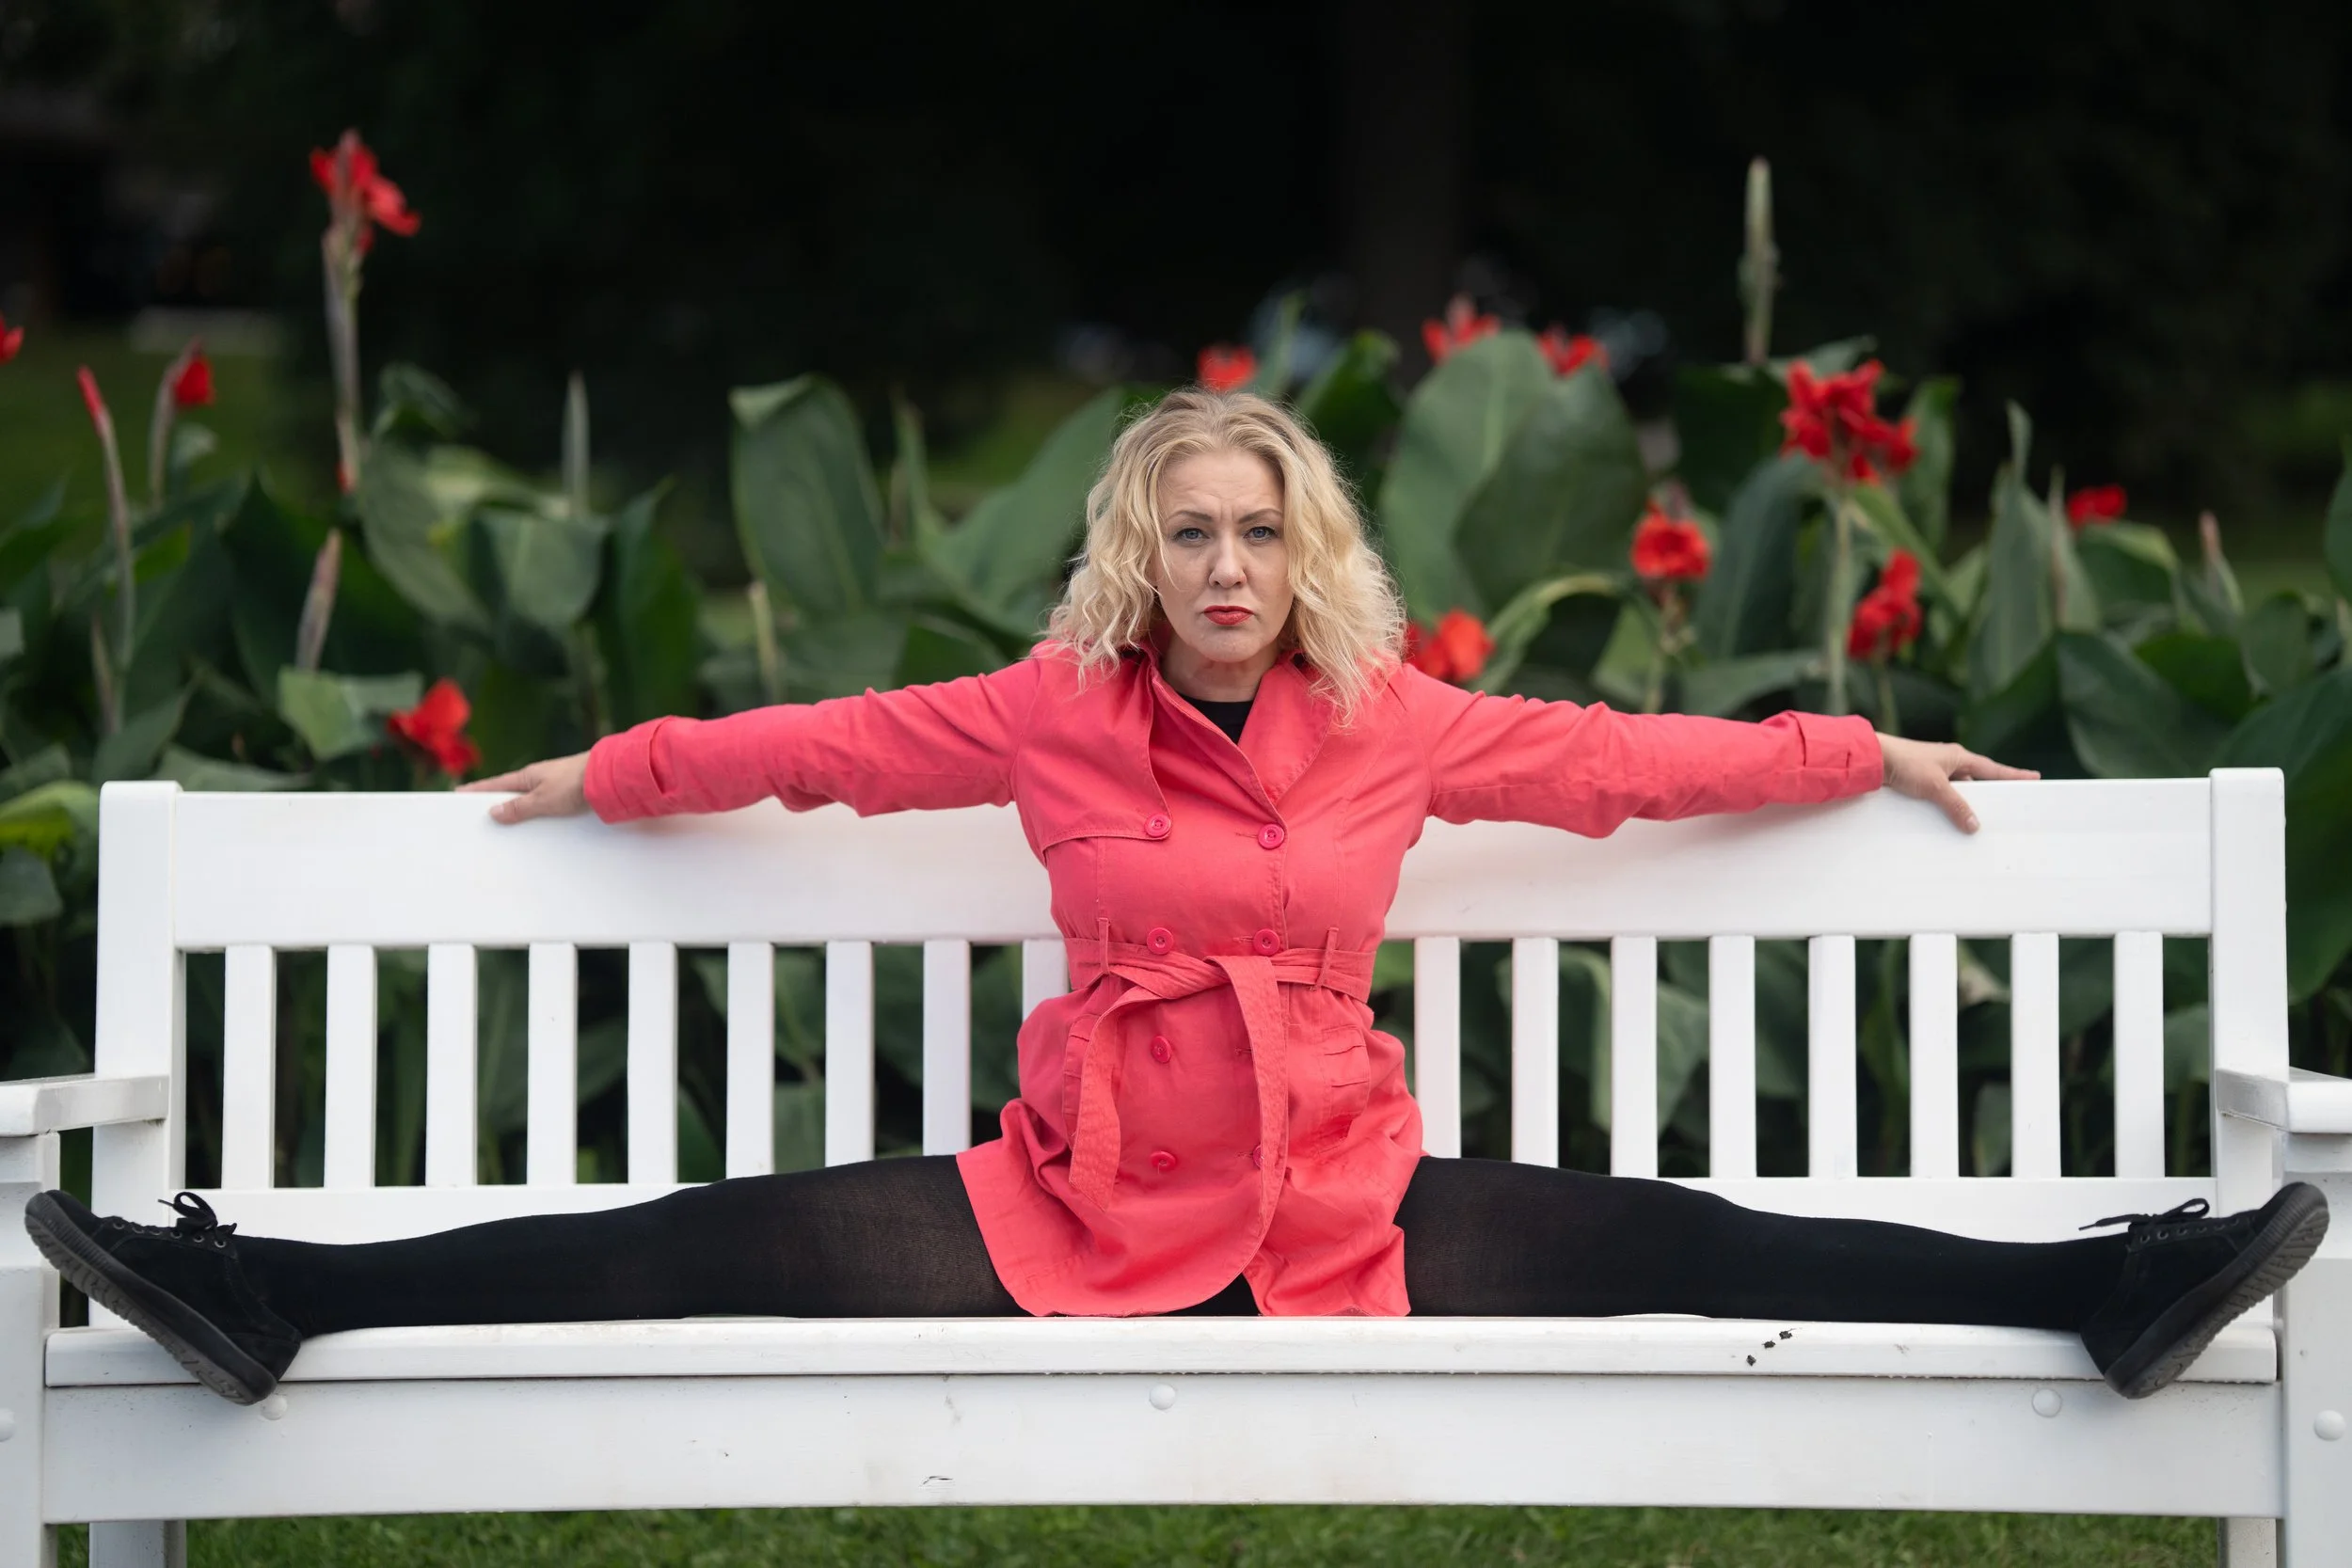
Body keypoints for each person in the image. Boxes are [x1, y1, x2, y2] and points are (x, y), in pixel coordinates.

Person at [26, 388, 2324, 1410]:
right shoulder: (1045, 711)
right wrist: (605, 765)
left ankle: (2102, 1286)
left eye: (1257, 530)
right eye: (1189, 532)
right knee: (698, 1234)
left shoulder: (1403, 716)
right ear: (1145, 554)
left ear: (1302, 551)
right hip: (1082, 1199)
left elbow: (1631, 768)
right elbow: (814, 750)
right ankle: (270, 1286)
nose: (1224, 566)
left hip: (1340, 1199)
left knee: (1694, 1236)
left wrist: (1857, 745)